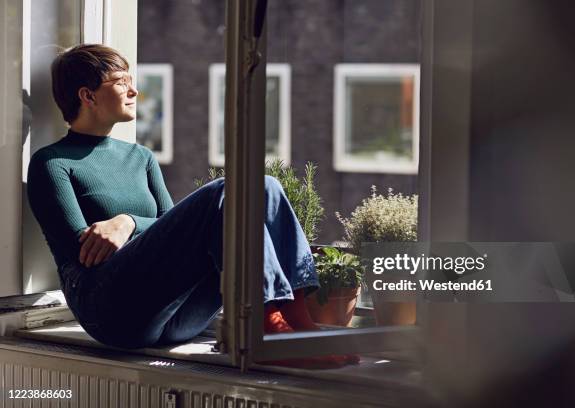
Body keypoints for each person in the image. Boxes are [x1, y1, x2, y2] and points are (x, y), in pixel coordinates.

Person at [27, 44, 358, 369]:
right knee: (227, 191)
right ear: (88, 96)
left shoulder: (139, 157)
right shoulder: (52, 163)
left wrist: (128, 222)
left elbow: (173, 234)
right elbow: (82, 252)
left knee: (263, 186)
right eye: (122, 82)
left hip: (176, 316)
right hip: (109, 311)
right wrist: (137, 224)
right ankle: (267, 326)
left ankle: (298, 325)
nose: (135, 91)